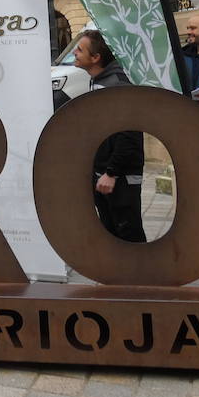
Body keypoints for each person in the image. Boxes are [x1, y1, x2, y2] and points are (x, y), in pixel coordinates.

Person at [74, 29, 146, 243]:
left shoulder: (116, 85)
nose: (75, 54)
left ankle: (145, 277)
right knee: (112, 237)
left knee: (128, 238)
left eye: (79, 50)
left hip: (119, 178)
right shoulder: (98, 81)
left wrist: (111, 173)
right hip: (105, 174)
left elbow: (129, 135)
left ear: (95, 58)